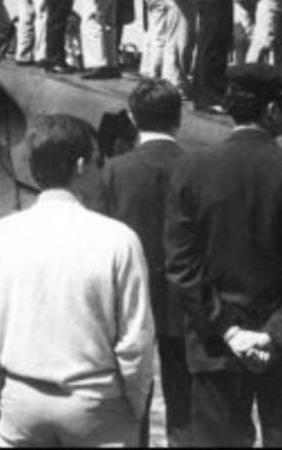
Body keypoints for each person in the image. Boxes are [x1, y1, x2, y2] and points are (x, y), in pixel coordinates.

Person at [165, 63, 282, 447]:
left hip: (214, 346)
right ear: (272, 110)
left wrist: (228, 329)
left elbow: (182, 266)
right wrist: (274, 334)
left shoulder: (190, 170)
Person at [0, 113, 155, 447]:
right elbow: (135, 344)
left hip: (21, 399)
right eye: (99, 161)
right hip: (95, 401)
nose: (103, 169)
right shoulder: (118, 240)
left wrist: (9, 392)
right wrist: (132, 409)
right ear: (81, 165)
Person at [98, 80, 191, 447]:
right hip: (185, 302)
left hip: (128, 302)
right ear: (179, 119)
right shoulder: (197, 166)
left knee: (131, 404)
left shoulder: (115, 170)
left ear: (133, 118)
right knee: (184, 408)